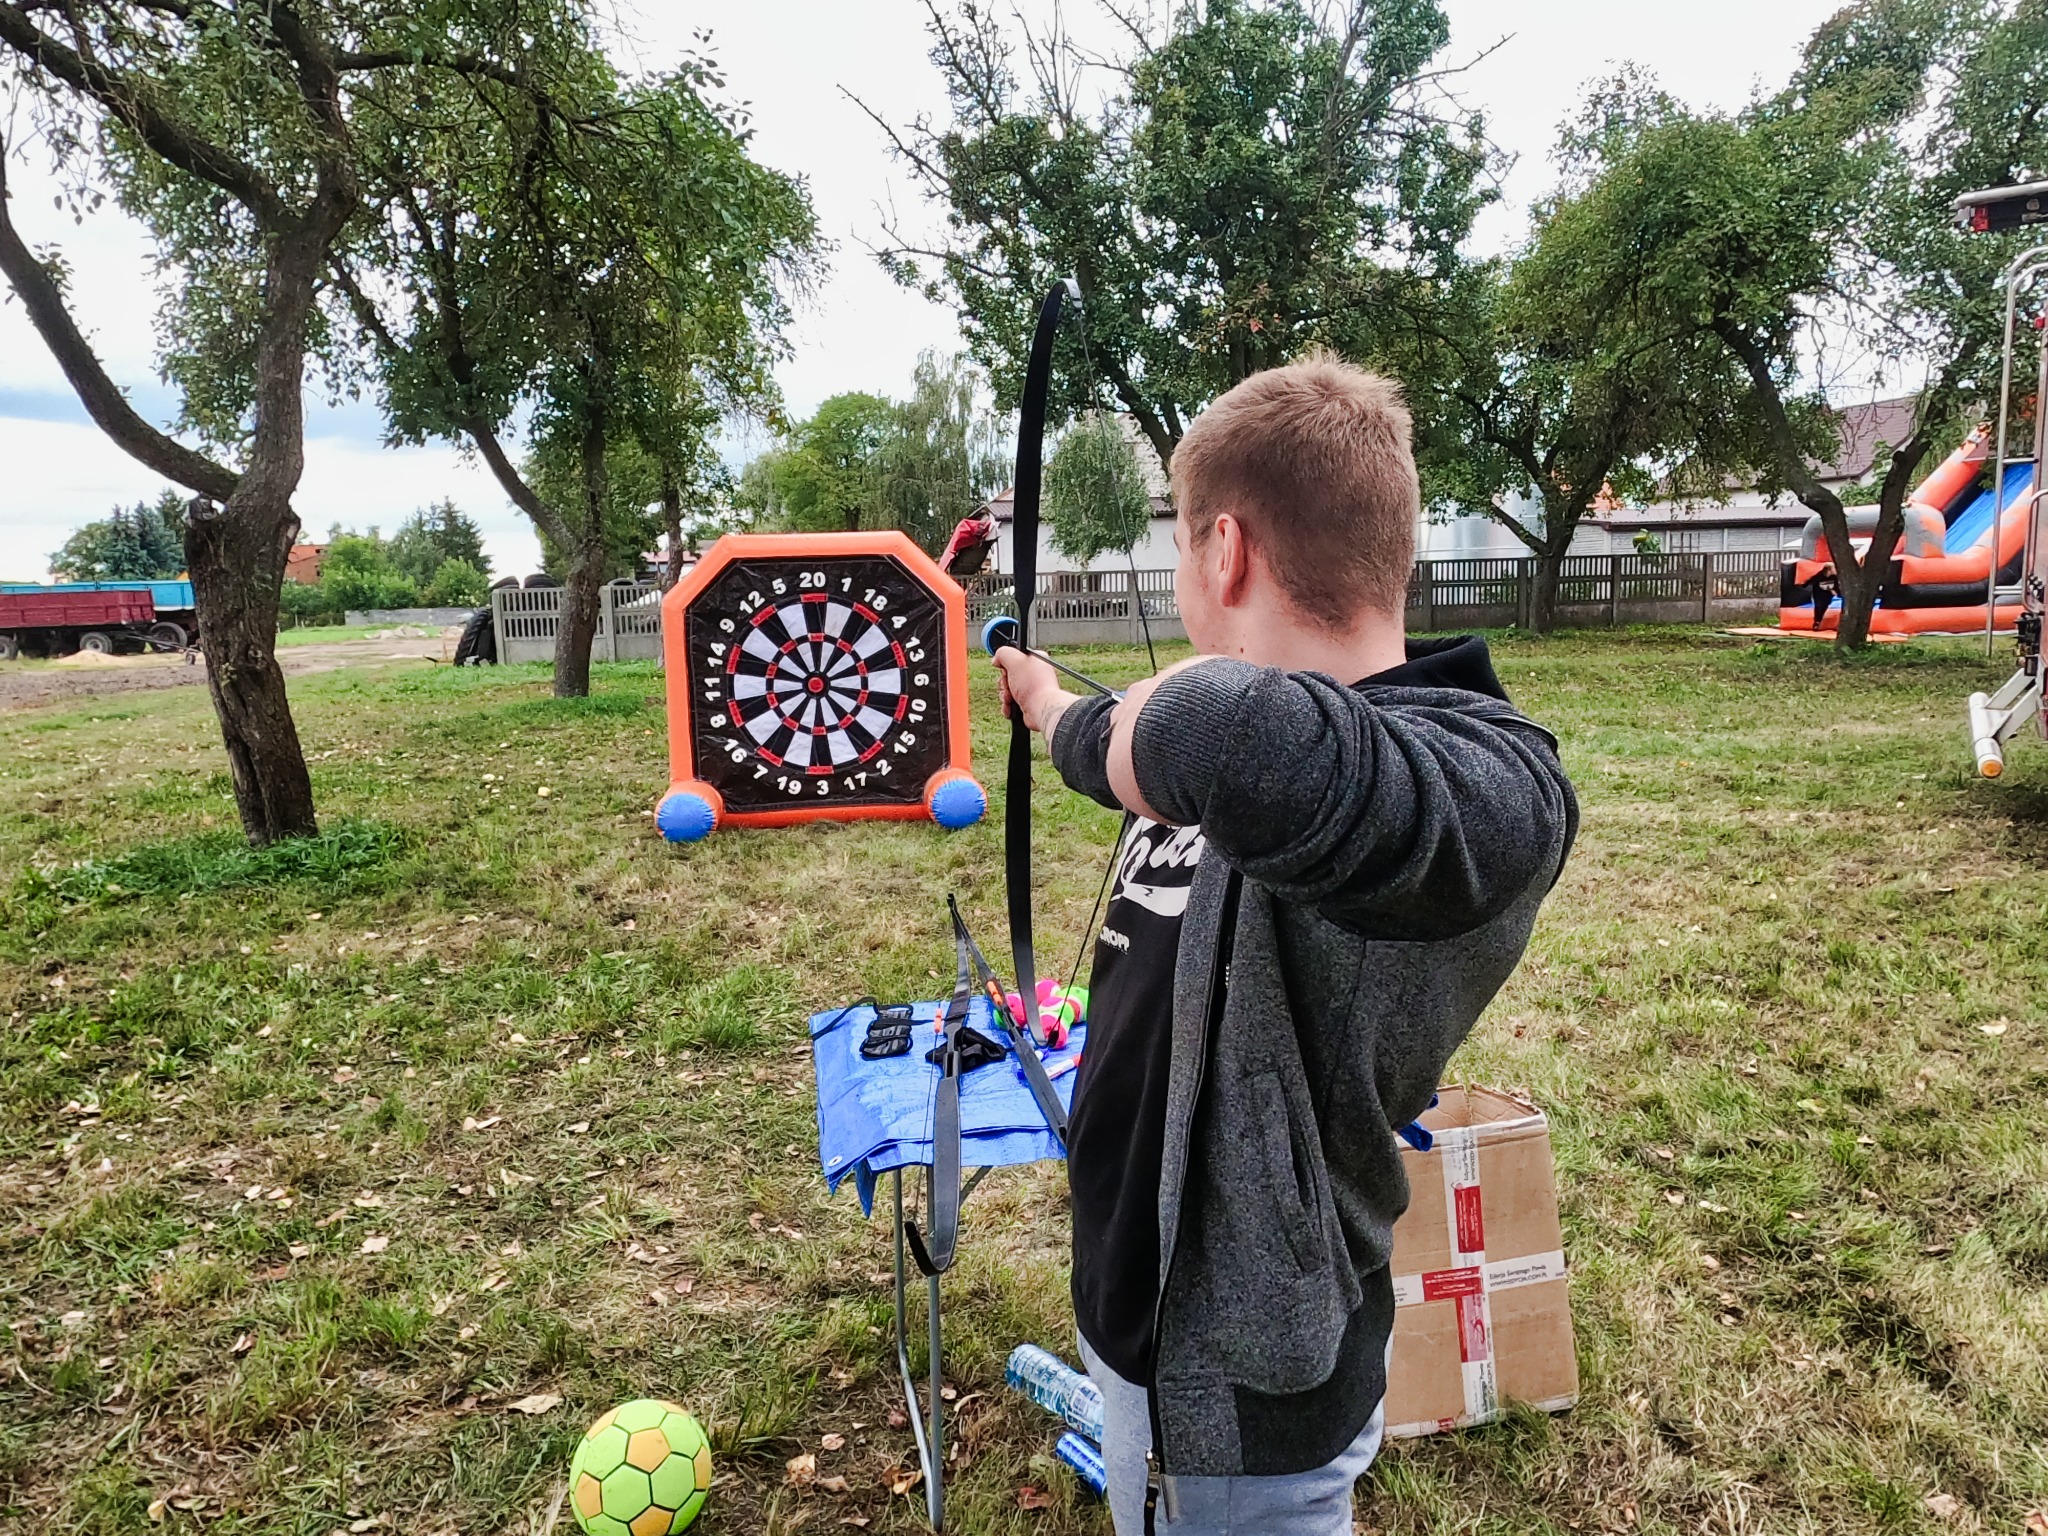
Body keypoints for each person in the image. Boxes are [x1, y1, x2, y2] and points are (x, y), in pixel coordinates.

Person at [993, 354, 1578, 1535]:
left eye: (1178, 553)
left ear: (1223, 550)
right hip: (1142, 1305)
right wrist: (1066, 714)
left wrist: (1100, 719)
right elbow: (1202, 754)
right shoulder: (1281, 768)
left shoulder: (1479, 784)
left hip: (1236, 1388)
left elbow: (1219, 729)